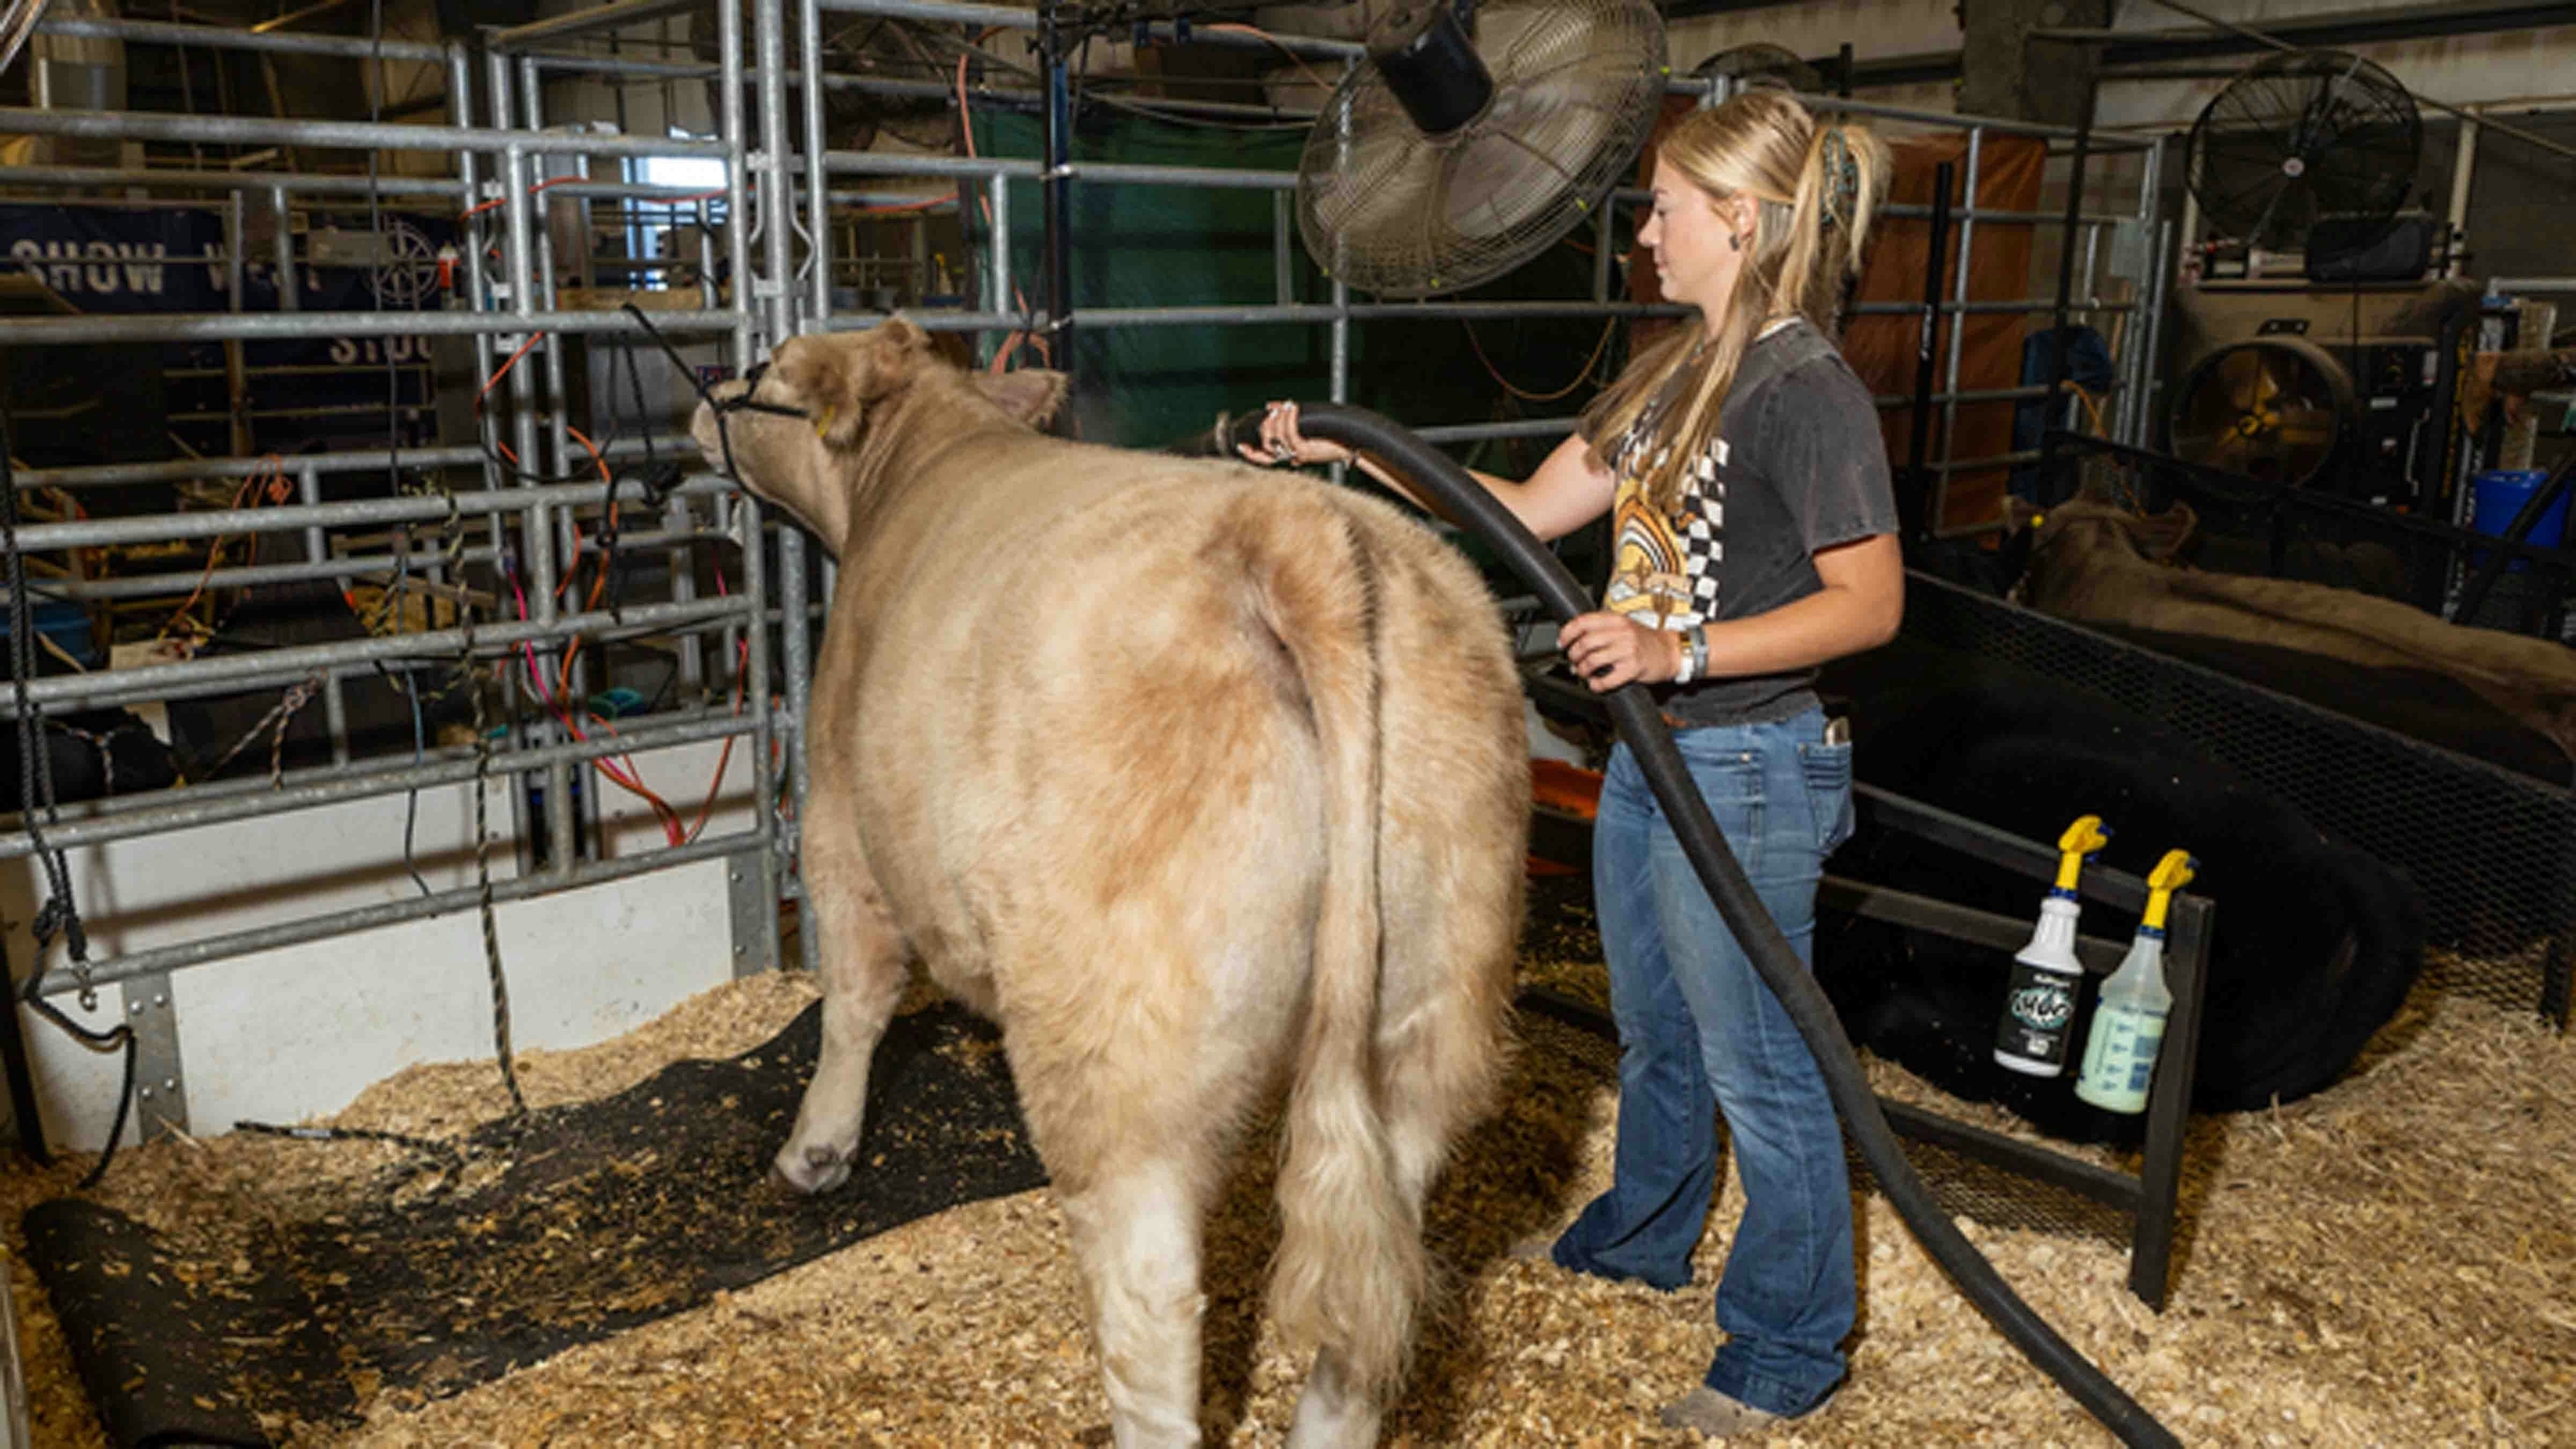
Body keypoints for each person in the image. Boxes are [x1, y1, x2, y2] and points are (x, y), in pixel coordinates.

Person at [1242, 89, 1902, 1439]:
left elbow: (1871, 603)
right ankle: (1644, 1237)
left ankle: (1784, 1351)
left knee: (1761, 1063)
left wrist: (1680, 653)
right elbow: (1530, 511)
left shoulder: (1807, 387)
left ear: (1741, 218)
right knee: (1657, 1031)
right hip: (1657, 763)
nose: (1644, 234)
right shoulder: (1672, 373)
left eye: (1665, 207)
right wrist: (1339, 453)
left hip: (1748, 761)